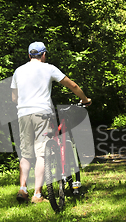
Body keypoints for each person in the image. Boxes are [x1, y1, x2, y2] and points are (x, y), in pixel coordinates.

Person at [11, 42, 91, 203]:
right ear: (44, 55)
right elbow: (73, 85)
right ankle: (37, 194)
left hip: (23, 114)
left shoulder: (18, 71)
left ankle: (22, 189)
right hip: (43, 114)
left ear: (29, 55)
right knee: (41, 153)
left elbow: (14, 98)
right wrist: (85, 99)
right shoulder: (49, 68)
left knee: (26, 154)